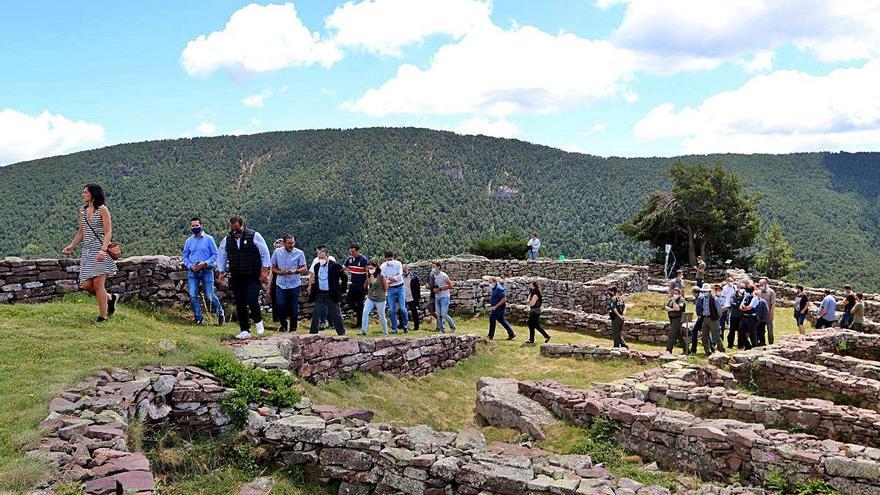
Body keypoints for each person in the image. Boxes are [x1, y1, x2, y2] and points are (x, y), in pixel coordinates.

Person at [62, 184, 119, 322]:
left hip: (100, 251)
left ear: (93, 194)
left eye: (85, 192)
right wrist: (72, 246)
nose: (83, 194)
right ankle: (110, 298)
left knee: (99, 285)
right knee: (86, 285)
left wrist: (103, 250)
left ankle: (102, 317)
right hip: (87, 252)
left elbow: (108, 232)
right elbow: (81, 232)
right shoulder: (82, 210)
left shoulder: (103, 209)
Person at [216, 216, 271, 339]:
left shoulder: (254, 236)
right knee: (240, 303)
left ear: (242, 225)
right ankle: (244, 330)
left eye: (237, 228)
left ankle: (258, 321)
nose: (235, 232)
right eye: (232, 229)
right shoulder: (227, 239)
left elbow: (265, 253)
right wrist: (221, 272)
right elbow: (222, 256)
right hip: (236, 275)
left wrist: (265, 270)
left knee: (252, 299)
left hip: (252, 275)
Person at [181, 217, 223, 326]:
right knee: (193, 294)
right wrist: (190, 265)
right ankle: (198, 318)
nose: (195, 227)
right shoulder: (188, 241)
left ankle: (220, 312)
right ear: (190, 227)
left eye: (197, 225)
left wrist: (205, 263)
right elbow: (184, 256)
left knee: (209, 295)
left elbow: (215, 254)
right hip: (193, 271)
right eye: (193, 226)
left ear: (201, 225)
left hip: (207, 270)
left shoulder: (209, 239)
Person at [307, 246, 348, 335]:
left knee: (336, 314)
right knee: (316, 313)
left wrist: (342, 290)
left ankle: (341, 333)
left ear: (327, 256)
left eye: (323, 257)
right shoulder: (317, 266)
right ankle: (313, 333)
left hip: (331, 293)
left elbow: (344, 276)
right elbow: (316, 278)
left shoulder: (335, 265)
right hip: (320, 293)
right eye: (319, 258)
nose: (321, 259)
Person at [271, 234, 307, 332]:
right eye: (289, 243)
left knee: (293, 306)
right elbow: (273, 268)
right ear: (284, 243)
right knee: (280, 305)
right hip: (281, 284)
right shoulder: (277, 252)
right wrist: (280, 272)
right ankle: (283, 325)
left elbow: (304, 268)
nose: (291, 245)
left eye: (293, 243)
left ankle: (293, 327)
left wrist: (296, 271)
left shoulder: (299, 253)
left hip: (294, 283)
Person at [380, 252, 409, 333]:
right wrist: (390, 280)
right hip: (390, 289)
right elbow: (383, 278)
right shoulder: (383, 266)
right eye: (388, 259)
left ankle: (405, 325)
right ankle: (394, 328)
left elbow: (400, 275)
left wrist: (391, 279)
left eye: (391, 259)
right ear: (385, 259)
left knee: (402, 308)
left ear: (393, 258)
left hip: (400, 287)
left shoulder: (398, 264)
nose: (390, 261)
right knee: (392, 309)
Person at [343, 244, 369, 329]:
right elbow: (343, 268)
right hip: (353, 285)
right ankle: (360, 314)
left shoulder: (364, 260)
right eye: (350, 252)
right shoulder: (349, 259)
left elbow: (368, 273)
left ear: (358, 251)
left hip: (361, 286)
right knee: (349, 302)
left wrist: (365, 285)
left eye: (353, 252)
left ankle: (360, 323)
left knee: (360, 304)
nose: (352, 253)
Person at [361, 261, 389, 335]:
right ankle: (363, 331)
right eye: (369, 268)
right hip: (370, 297)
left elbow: (386, 287)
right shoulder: (369, 275)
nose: (370, 269)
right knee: (365, 312)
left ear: (376, 268)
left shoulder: (381, 276)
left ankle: (385, 332)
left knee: (381, 315)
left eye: (371, 268)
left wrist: (382, 294)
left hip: (380, 299)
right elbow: (366, 285)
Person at [698, 284, 725, 355]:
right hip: (704, 318)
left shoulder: (714, 299)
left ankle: (721, 350)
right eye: (704, 291)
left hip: (713, 319)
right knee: (704, 336)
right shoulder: (702, 299)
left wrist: (717, 318)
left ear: (709, 291)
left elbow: (719, 310)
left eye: (706, 291)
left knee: (716, 336)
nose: (705, 292)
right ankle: (707, 352)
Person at [486, 276, 516, 340]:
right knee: (501, 320)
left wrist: (496, 306)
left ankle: (490, 336)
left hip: (499, 307)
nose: (490, 284)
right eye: (489, 282)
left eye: (491, 282)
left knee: (492, 319)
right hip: (496, 307)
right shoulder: (494, 288)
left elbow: (504, 299)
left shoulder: (499, 288)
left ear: (495, 282)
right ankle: (511, 334)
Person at [432, 262, 456, 333]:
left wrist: (440, 289)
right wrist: (434, 289)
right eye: (432, 267)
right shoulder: (433, 276)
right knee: (438, 315)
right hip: (437, 297)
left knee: (444, 314)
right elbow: (432, 286)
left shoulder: (443, 275)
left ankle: (452, 326)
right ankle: (442, 331)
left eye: (434, 267)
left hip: (444, 297)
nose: (433, 268)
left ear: (438, 267)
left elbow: (451, 286)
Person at [664, 288, 688, 355]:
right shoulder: (670, 300)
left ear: (679, 294)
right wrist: (672, 309)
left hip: (678, 319)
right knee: (678, 335)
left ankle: (668, 351)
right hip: (672, 319)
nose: (674, 295)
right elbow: (666, 307)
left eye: (676, 293)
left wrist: (674, 302)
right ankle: (686, 349)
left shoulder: (681, 300)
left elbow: (677, 308)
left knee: (671, 335)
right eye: (674, 293)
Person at [757, 278, 777, 344]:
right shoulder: (759, 291)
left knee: (770, 329)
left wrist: (771, 313)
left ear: (765, 284)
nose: (760, 286)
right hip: (760, 314)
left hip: (768, 313)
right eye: (759, 284)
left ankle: (771, 342)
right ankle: (761, 342)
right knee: (760, 329)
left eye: (761, 284)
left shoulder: (771, 291)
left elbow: (773, 304)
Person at [402, 264, 421, 331]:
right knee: (402, 311)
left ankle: (416, 326)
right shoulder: (400, 277)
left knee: (414, 312)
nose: (404, 270)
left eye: (405, 269)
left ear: (408, 269)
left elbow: (417, 289)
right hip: (403, 297)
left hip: (412, 297)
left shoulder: (413, 277)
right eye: (403, 269)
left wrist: (417, 298)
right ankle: (402, 325)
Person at [727, 282, 746, 349]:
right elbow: (732, 303)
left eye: (743, 288)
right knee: (732, 331)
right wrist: (740, 305)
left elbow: (745, 304)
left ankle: (740, 345)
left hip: (741, 316)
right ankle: (730, 345)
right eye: (741, 287)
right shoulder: (733, 295)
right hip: (734, 316)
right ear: (738, 288)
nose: (742, 289)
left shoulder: (745, 296)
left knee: (741, 331)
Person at [269, 238, 283, 324]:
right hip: (275, 282)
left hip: (284, 283)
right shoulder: (273, 258)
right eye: (276, 247)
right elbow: (271, 272)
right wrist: (269, 286)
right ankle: (275, 320)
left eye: (279, 247)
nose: (277, 249)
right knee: (274, 302)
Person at [690, 286, 703, 354]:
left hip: (702, 318)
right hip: (704, 317)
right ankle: (711, 348)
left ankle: (693, 349)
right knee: (705, 332)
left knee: (694, 331)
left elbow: (699, 308)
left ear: (694, 292)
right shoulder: (702, 296)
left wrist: (699, 317)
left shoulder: (699, 298)